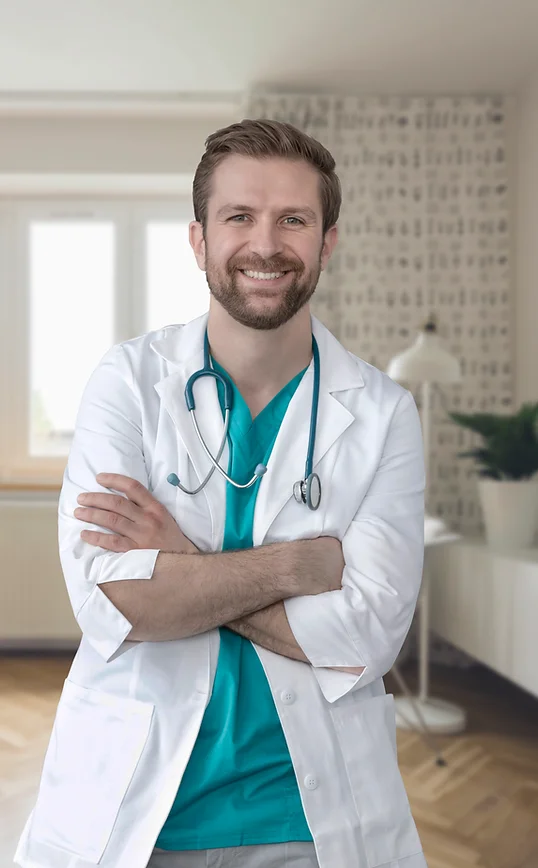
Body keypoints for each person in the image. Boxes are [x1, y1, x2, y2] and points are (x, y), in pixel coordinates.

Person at [14, 119, 427, 868]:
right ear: (200, 240)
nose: (265, 245)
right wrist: (291, 568)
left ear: (327, 241)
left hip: (313, 819)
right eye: (239, 216)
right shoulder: (129, 384)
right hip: (131, 809)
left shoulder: (382, 413)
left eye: (293, 220)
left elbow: (366, 638)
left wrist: (183, 563)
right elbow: (111, 599)